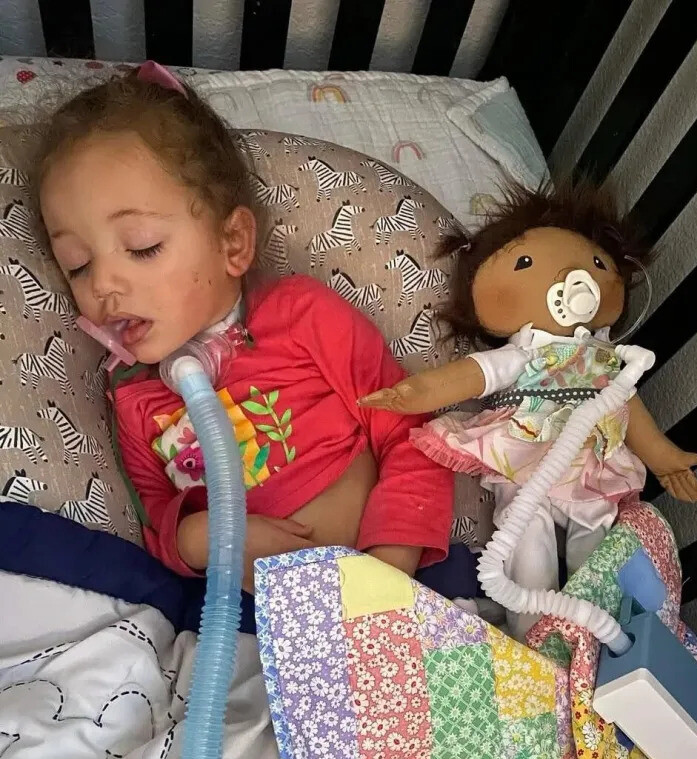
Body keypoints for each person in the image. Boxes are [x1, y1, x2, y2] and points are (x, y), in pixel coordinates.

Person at [34, 63, 453, 592]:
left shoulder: (302, 316)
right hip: (243, 619)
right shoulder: (134, 398)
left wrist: (391, 566)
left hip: (391, 586)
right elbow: (156, 527)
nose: (103, 285)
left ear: (232, 243)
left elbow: (409, 431)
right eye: (77, 265)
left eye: (142, 247)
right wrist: (202, 539)